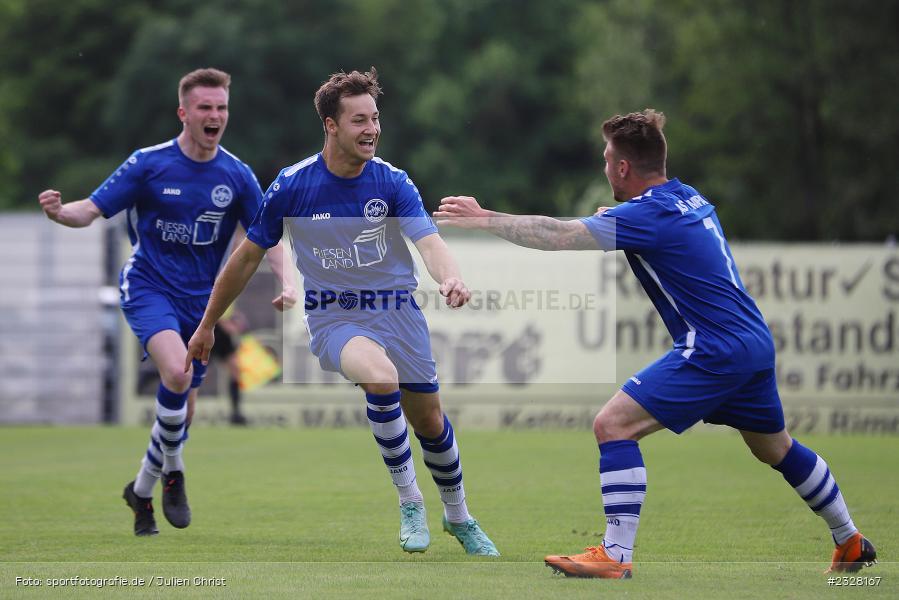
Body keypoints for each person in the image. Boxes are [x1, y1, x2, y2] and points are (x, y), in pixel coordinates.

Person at [433, 109, 876, 577]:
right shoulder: (687, 196)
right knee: (775, 448)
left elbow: (558, 236)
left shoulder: (647, 216)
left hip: (714, 348)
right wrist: (615, 218)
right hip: (753, 342)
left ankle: (615, 555)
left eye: (608, 160)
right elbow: (646, 223)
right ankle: (848, 538)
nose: (605, 168)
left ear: (623, 167)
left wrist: (485, 218)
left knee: (613, 425)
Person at [185, 67, 499, 556]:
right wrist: (207, 324)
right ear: (331, 125)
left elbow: (429, 243)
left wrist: (450, 277)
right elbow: (245, 259)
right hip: (334, 318)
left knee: (431, 423)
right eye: (359, 120)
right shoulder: (293, 185)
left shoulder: (392, 182)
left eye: (375, 118)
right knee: (380, 378)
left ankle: (458, 516)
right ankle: (410, 501)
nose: (372, 129)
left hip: (399, 313)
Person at [38, 68, 297, 536]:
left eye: (221, 107)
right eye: (205, 107)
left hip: (202, 304)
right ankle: (174, 474)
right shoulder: (148, 164)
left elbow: (267, 238)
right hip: (148, 287)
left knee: (183, 411)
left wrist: (288, 282)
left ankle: (141, 491)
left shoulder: (237, 176)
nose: (215, 115)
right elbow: (90, 210)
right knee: (176, 373)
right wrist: (61, 213)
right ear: (184, 113)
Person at [212, 306, 250, 425]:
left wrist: (238, 317)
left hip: (223, 334)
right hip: (210, 328)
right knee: (192, 368)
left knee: (235, 369)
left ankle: (236, 413)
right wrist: (226, 325)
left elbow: (228, 308)